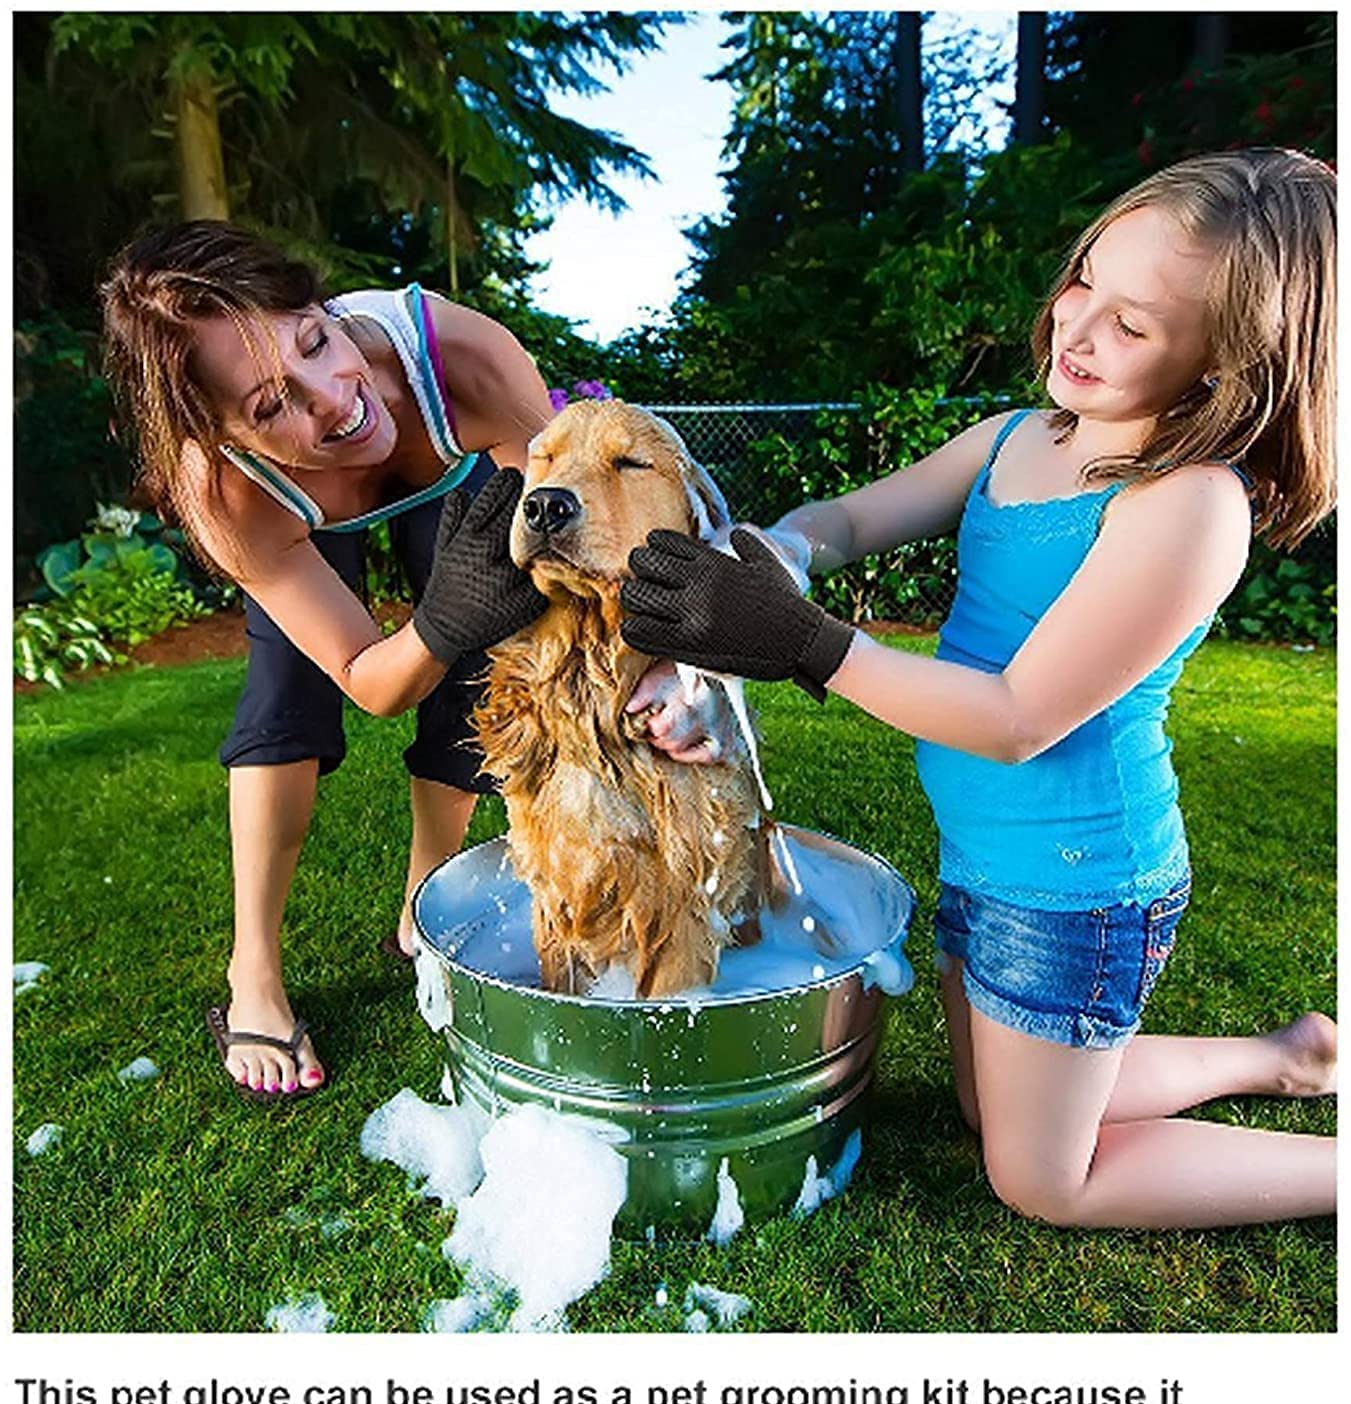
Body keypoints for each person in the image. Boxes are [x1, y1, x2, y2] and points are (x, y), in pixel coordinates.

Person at [620, 148, 1337, 1229]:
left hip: (1077, 881)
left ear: (1226, 366)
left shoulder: (1187, 506)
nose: (1078, 326)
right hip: (983, 852)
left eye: (1134, 325)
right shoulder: (1015, 439)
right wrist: (774, 557)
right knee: (979, 1100)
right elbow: (851, 520)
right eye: (1085, 277)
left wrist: (804, 644)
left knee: (1041, 1176)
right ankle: (1280, 1058)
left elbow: (1013, 720)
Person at [100, 221, 713, 1102]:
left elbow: (582, 550)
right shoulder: (226, 490)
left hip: (452, 468)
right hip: (296, 504)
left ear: (322, 305)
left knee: (477, 671)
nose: (333, 400)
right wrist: (433, 623)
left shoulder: (462, 360)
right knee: (287, 699)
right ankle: (254, 973)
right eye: (273, 404)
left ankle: (423, 903)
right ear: (221, 431)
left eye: (316, 341)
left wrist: (659, 667)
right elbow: (367, 679)